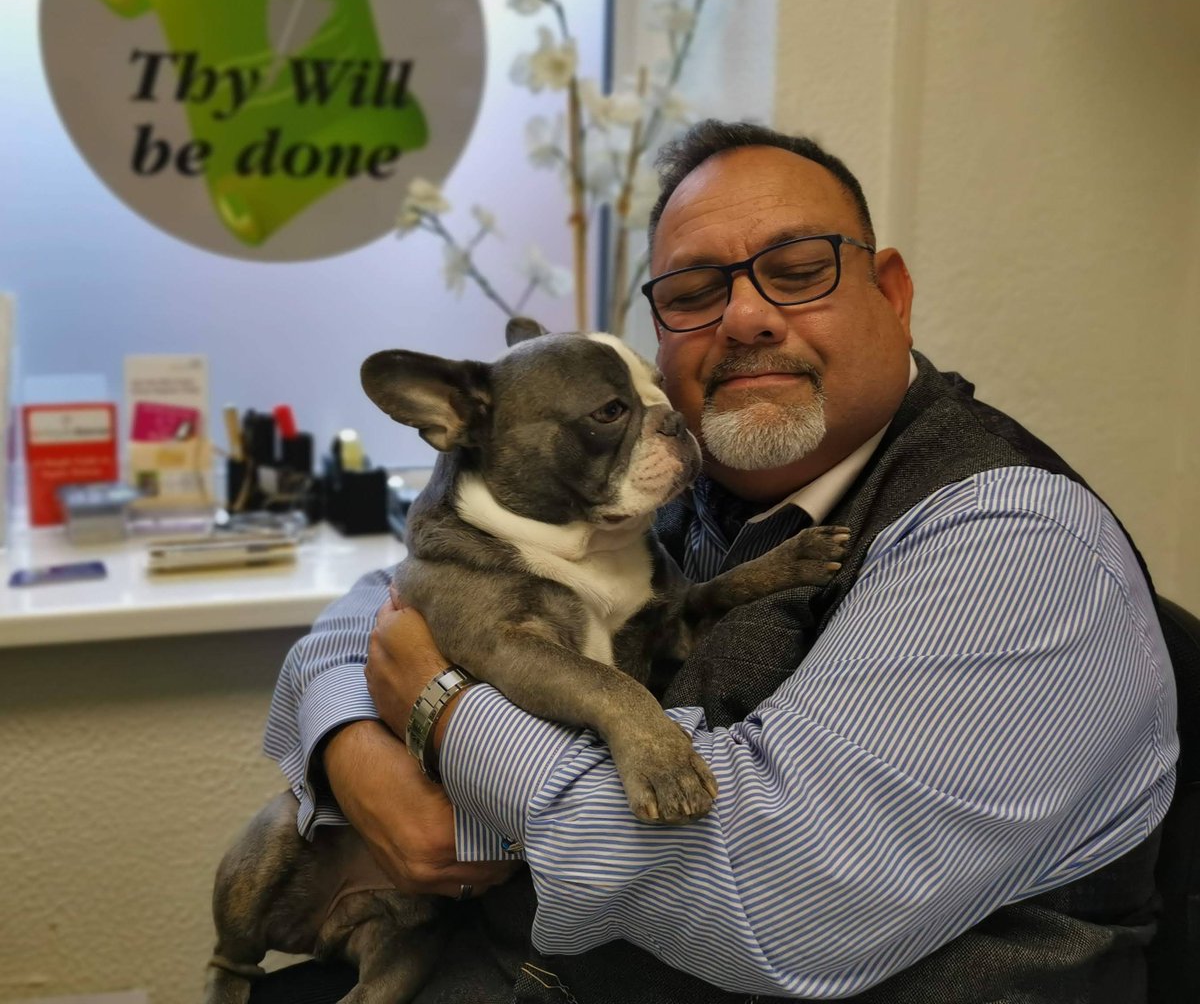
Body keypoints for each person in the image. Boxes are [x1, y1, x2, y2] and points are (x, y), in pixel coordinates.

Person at [253, 120, 1177, 1003]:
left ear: (890, 293)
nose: (745, 317)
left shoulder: (1007, 547)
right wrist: (347, 738)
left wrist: (443, 715)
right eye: (695, 291)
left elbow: (775, 903)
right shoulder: (677, 472)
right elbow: (406, 593)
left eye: (799, 271)